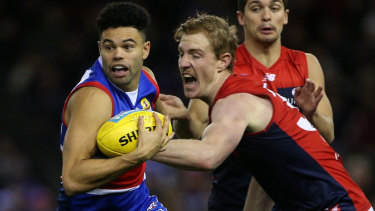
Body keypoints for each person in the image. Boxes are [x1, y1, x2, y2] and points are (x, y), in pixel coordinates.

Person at [150, 13, 373, 210]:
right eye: (181, 54)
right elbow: (267, 173)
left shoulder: (235, 102)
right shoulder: (243, 94)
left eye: (196, 55)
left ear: (223, 61)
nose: (184, 63)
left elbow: (208, 156)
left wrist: (140, 147)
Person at [57, 2, 173, 210]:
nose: (118, 54)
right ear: (100, 48)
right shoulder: (94, 99)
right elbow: (72, 180)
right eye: (110, 47)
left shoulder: (148, 79)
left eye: (128, 46)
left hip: (138, 201)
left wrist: (181, 121)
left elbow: (162, 131)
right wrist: (137, 156)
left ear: (145, 49)